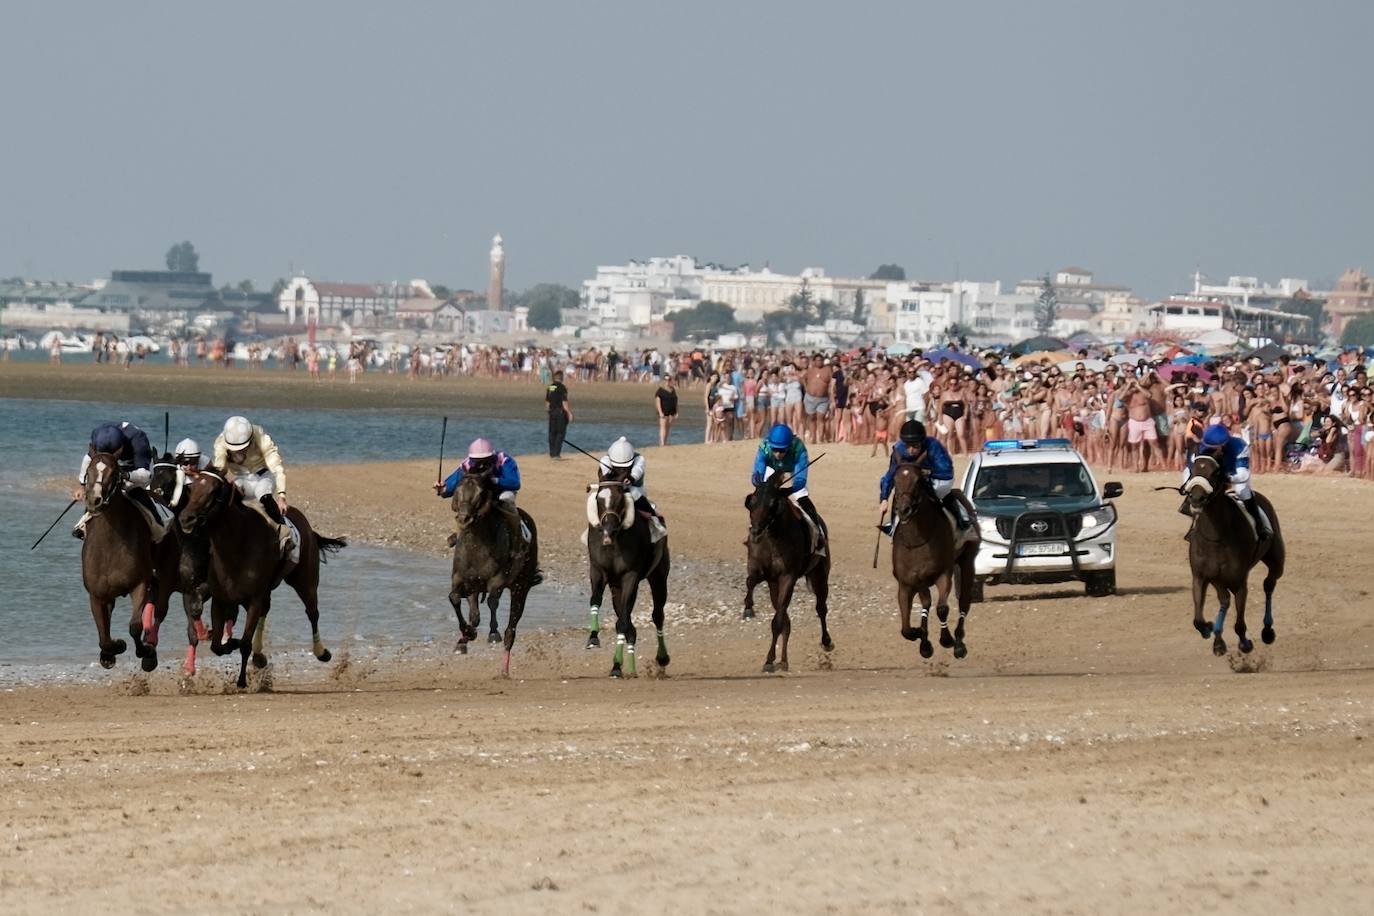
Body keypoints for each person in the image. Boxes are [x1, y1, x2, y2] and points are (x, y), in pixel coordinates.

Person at [212, 415, 296, 558]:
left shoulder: (260, 436)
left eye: (243, 448)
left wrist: (282, 496)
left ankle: (282, 529)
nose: (239, 452)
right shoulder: (221, 443)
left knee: (262, 492)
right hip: (241, 479)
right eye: (235, 449)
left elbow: (277, 467)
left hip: (263, 476)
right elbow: (219, 468)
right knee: (230, 492)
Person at [72, 420, 170, 540]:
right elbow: (88, 459)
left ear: (121, 448)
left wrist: (125, 475)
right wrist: (82, 486)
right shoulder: (98, 435)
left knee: (133, 490)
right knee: (97, 490)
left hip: (133, 469)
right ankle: (83, 524)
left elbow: (145, 475)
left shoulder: (138, 441)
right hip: (107, 469)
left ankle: (158, 523)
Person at [434, 438, 528, 554]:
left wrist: (494, 480)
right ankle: (459, 532)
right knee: (466, 498)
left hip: (501, 492)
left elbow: (514, 483)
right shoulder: (466, 465)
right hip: (481, 495)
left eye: (485, 460)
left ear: (492, 457)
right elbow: (454, 482)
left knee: (506, 498)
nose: (481, 464)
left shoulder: (504, 460)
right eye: (477, 461)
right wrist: (443, 488)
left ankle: (517, 533)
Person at [878, 420, 974, 533]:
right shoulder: (899, 448)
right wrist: (884, 498)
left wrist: (927, 472)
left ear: (922, 442)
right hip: (914, 478)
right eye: (908, 446)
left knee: (934, 492)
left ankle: (962, 517)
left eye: (915, 446)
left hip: (939, 479)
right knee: (903, 490)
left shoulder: (934, 446)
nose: (911, 450)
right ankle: (894, 525)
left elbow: (946, 471)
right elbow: (891, 474)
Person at [1184, 424, 1271, 540]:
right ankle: (1194, 526)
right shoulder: (1200, 447)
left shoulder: (1239, 446)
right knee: (1197, 493)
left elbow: (1243, 474)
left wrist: (1227, 478)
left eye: (1214, 448)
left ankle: (1259, 524)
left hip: (1233, 475)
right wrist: (1190, 484)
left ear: (1224, 444)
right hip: (1211, 477)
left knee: (1242, 492)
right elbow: (1188, 469)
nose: (1209, 450)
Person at [751, 423, 826, 555]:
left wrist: (789, 490)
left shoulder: (799, 449)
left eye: (782, 450)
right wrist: (761, 484)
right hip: (771, 468)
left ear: (789, 446)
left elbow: (800, 480)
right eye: (775, 449)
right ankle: (755, 528)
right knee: (760, 498)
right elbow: (757, 474)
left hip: (793, 469)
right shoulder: (764, 447)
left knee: (801, 496)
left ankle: (818, 533)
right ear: (770, 445)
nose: (778, 453)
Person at [596, 437, 665, 542]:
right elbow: (606, 474)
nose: (621, 469)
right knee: (594, 499)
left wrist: (631, 478)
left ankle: (654, 523)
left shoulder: (639, 459)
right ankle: (593, 527)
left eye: (624, 467)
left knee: (634, 493)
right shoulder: (605, 459)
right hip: (613, 489)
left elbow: (638, 470)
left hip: (635, 489)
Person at [546, 369, 572, 459]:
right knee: (560, 433)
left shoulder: (550, 387)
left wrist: (549, 412)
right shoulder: (562, 387)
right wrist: (569, 413)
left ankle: (552, 453)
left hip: (552, 412)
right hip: (560, 412)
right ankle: (556, 454)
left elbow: (547, 402)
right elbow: (564, 401)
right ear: (562, 378)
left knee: (552, 433)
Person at [654, 376, 678, 446]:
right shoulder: (660, 391)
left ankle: (665, 442)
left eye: (669, 380)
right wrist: (660, 412)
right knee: (663, 427)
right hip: (663, 412)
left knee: (668, 427)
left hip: (672, 412)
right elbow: (658, 402)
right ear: (664, 381)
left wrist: (676, 411)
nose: (667, 381)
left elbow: (675, 401)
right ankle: (662, 443)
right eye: (666, 380)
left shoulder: (672, 390)